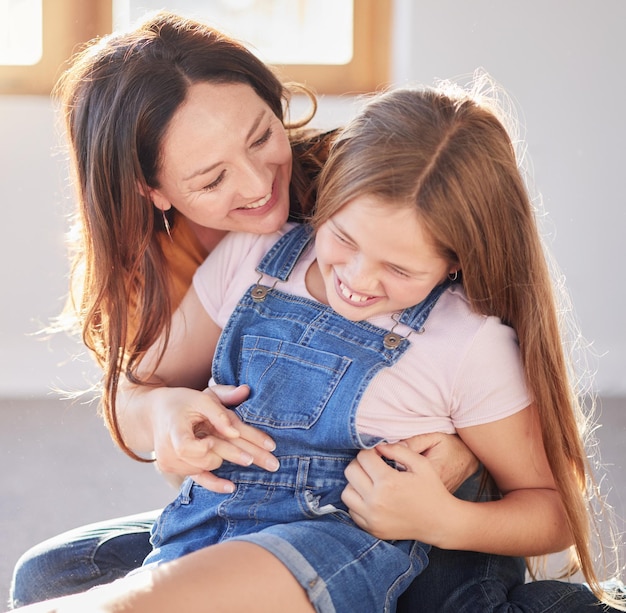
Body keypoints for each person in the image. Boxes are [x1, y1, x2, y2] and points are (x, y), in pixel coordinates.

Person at [8, 10, 622, 613]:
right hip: (238, 517)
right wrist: (161, 412)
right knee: (50, 574)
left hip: (368, 530)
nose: (255, 185)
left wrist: (459, 480)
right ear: (153, 191)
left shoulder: (379, 185)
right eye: (213, 177)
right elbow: (137, 390)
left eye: (260, 137)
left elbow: (542, 490)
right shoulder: (230, 260)